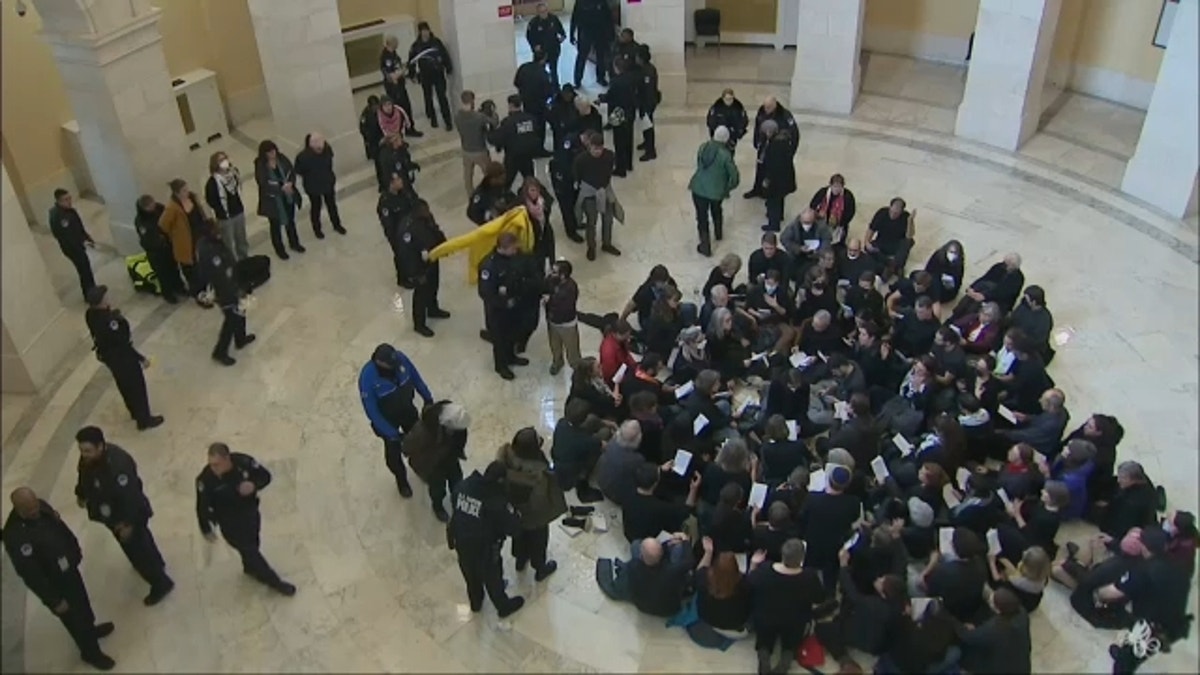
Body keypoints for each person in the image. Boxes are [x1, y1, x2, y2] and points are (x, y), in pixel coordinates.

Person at [3, 487, 116, 670]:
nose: (35, 511)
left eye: (35, 505)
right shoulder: (15, 536)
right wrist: (54, 601)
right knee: (74, 619)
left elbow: (60, 527)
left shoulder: (41, 507)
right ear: (18, 509)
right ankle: (91, 653)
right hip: (55, 584)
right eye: (30, 510)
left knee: (83, 605)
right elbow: (32, 576)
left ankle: (91, 630)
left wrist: (75, 551)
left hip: (68, 570)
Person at [73, 426, 173, 605]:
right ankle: (156, 563)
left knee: (138, 548)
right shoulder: (89, 460)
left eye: (88, 451)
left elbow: (131, 497)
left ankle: (160, 582)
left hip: (128, 517)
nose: (84, 454)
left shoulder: (118, 465)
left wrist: (127, 524)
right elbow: (84, 476)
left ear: (101, 447)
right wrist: (81, 494)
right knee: (140, 545)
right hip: (112, 516)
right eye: (81, 450)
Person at [195, 443, 296, 596]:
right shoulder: (206, 479)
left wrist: (253, 485)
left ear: (227, 459)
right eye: (211, 464)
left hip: (250, 513)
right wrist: (206, 528)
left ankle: (249, 567)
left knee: (253, 544)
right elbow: (201, 506)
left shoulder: (243, 462)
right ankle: (275, 582)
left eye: (217, 464)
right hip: (229, 522)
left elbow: (265, 476)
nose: (213, 468)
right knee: (251, 551)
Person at [447, 461, 526, 617]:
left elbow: (455, 506)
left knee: (470, 574)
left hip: (461, 540)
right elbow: (513, 529)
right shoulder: (496, 502)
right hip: (484, 547)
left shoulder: (464, 486)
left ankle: (476, 602)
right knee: (493, 577)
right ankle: (503, 606)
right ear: (501, 481)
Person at [83, 285, 163, 429]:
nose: (109, 298)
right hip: (122, 357)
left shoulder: (90, 314)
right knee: (136, 386)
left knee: (124, 384)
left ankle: (134, 411)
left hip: (108, 356)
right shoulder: (110, 321)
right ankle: (144, 419)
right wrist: (141, 358)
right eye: (106, 296)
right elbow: (122, 343)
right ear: (102, 301)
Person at [359, 343, 433, 498]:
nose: (395, 366)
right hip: (387, 420)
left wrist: (427, 399)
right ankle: (401, 480)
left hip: (407, 410)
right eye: (390, 365)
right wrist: (392, 434)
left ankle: (422, 469)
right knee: (393, 458)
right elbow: (372, 411)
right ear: (379, 363)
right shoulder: (368, 377)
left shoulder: (400, 359)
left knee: (421, 443)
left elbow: (415, 377)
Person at [748, 540, 826, 674]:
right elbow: (819, 599)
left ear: (782, 554)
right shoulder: (809, 576)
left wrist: (753, 564)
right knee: (791, 640)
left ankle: (764, 659)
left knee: (764, 637)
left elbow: (749, 583)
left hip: (766, 616)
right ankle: (785, 663)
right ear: (802, 558)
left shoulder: (765, 569)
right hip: (794, 620)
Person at [497, 427, 565, 581]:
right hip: (534, 517)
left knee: (519, 538)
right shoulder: (538, 473)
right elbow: (540, 502)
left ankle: (520, 561)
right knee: (538, 542)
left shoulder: (507, 459)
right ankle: (540, 568)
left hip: (515, 513)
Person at [196, 222, 255, 367]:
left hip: (232, 284)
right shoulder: (208, 251)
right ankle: (220, 352)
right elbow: (220, 276)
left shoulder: (214, 242)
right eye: (216, 231)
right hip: (225, 291)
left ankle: (240, 338)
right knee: (231, 320)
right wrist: (235, 290)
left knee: (240, 311)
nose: (219, 233)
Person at [479, 232, 534, 379]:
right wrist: (504, 302)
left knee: (512, 335)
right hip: (497, 312)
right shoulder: (489, 266)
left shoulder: (512, 258)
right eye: (513, 248)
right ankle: (501, 366)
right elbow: (485, 293)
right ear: (504, 247)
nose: (516, 251)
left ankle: (511, 357)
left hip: (513, 307)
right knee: (500, 340)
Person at [402, 400, 468, 521]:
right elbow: (407, 446)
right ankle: (437, 507)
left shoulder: (459, 424)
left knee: (457, 481)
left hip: (450, 458)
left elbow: (461, 440)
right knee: (437, 489)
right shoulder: (422, 430)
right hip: (433, 465)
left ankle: (458, 499)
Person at [953, 587, 1032, 674]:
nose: (989, 601)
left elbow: (970, 637)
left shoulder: (995, 628)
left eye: (992, 602)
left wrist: (954, 622)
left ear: (998, 610)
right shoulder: (1022, 613)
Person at [400, 199, 450, 337]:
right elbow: (406, 254)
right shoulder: (407, 228)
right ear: (416, 211)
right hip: (419, 267)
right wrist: (415, 274)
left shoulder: (427, 219)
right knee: (421, 295)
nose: (428, 212)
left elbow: (436, 231)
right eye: (425, 210)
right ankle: (419, 324)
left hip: (432, 259)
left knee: (433, 286)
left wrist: (444, 246)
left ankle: (433, 309)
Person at [689, 125, 741, 256]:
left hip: (698, 188)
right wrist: (727, 188)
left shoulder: (703, 147)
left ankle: (705, 246)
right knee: (716, 210)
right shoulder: (725, 155)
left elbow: (699, 164)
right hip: (716, 192)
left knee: (701, 217)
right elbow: (734, 176)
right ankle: (718, 233)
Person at [158, 179, 210, 306]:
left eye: (187, 189)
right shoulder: (173, 208)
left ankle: (206, 288)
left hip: (199, 236)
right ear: (177, 193)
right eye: (184, 191)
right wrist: (175, 235)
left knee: (202, 265)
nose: (187, 192)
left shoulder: (192, 198)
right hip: (186, 243)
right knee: (191, 271)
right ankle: (198, 293)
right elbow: (163, 225)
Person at [573, 131, 622, 259]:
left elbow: (610, 170)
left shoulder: (610, 155)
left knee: (608, 219)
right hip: (589, 193)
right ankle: (591, 247)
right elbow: (577, 176)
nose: (597, 152)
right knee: (591, 222)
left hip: (604, 190)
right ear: (590, 146)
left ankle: (607, 243)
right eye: (595, 149)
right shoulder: (581, 159)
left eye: (600, 149)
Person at [254, 140, 305, 260]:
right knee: (275, 226)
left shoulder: (282, 159)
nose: (273, 154)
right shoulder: (261, 165)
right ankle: (279, 249)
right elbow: (263, 183)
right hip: (272, 201)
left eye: (274, 151)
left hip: (287, 196)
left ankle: (294, 243)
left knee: (290, 222)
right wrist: (280, 188)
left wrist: (290, 184)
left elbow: (291, 172)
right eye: (270, 152)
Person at [552, 399, 607, 502]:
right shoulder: (585, 441)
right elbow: (604, 446)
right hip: (572, 471)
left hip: (560, 461)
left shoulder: (561, 423)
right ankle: (583, 475)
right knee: (604, 433)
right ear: (583, 420)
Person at [133, 195, 185, 302]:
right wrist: (159, 240)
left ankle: (179, 287)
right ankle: (168, 294)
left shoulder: (159, 208)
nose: (153, 206)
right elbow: (147, 237)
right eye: (150, 206)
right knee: (163, 274)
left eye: (153, 203)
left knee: (174, 269)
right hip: (156, 252)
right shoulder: (141, 221)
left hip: (168, 246)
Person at [48, 188, 97, 299]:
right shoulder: (58, 217)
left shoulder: (69, 211)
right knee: (84, 269)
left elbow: (78, 226)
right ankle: (89, 293)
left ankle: (92, 289)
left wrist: (86, 237)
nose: (69, 201)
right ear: (59, 201)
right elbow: (64, 236)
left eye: (69, 198)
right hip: (72, 248)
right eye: (66, 199)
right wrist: (80, 245)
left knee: (86, 267)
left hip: (78, 245)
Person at [696, 538, 753, 635]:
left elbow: (700, 569)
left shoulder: (704, 577)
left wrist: (708, 552)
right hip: (735, 623)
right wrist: (753, 564)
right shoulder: (744, 583)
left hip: (707, 618)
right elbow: (753, 580)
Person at [628, 534, 694, 618]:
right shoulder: (672, 571)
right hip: (668, 610)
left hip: (641, 605)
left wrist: (666, 544)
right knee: (678, 549)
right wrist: (685, 541)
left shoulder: (633, 566)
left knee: (636, 544)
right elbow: (689, 561)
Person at [745, 97, 799, 199]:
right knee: (760, 167)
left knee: (771, 170)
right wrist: (756, 141)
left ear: (775, 105)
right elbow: (758, 126)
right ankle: (757, 189)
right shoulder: (762, 111)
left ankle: (768, 192)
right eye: (765, 107)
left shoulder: (785, 115)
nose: (766, 109)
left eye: (769, 107)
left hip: (777, 148)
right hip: (764, 145)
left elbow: (794, 133)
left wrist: (791, 151)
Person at [293, 132, 344, 238]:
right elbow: (298, 170)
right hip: (313, 186)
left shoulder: (327, 150)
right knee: (316, 207)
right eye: (317, 148)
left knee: (332, 205)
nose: (320, 149)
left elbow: (329, 163)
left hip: (327, 183)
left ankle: (337, 224)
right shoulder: (303, 157)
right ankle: (317, 229)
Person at [203, 151, 250, 260]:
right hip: (225, 217)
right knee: (228, 243)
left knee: (241, 239)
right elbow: (211, 201)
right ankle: (232, 262)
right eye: (221, 160)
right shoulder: (212, 182)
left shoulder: (233, 174)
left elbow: (238, 188)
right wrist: (221, 209)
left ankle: (244, 259)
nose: (224, 161)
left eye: (225, 158)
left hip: (238, 212)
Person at [998, 388, 1069, 458]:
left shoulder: (1049, 425)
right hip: (1037, 433)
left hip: (1038, 447)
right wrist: (1026, 417)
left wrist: (1004, 432)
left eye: (1043, 400)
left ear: (1051, 406)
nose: (1039, 400)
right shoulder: (1062, 411)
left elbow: (1026, 436)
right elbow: (1040, 419)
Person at [378, 170, 420, 288]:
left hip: (409, 229)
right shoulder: (386, 202)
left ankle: (414, 272)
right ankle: (403, 278)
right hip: (397, 234)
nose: (401, 181)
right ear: (391, 184)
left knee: (412, 253)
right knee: (401, 255)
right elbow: (388, 224)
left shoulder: (404, 192)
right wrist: (396, 238)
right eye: (398, 180)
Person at [489, 94, 541, 189]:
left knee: (506, 183)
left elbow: (496, 139)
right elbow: (537, 135)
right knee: (530, 181)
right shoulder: (531, 118)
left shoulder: (508, 122)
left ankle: (504, 199)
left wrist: (489, 131)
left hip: (513, 157)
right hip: (528, 156)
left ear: (510, 105)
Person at [408, 21, 454, 130]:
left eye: (426, 30)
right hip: (425, 75)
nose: (425, 33)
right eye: (423, 31)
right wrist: (412, 74)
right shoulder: (416, 46)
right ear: (420, 32)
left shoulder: (436, 42)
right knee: (428, 98)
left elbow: (444, 54)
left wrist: (448, 67)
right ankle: (433, 118)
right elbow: (412, 61)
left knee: (442, 97)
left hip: (438, 73)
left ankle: (447, 121)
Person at [454, 90, 500, 197]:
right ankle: (490, 192)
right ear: (472, 101)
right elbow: (494, 123)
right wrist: (494, 113)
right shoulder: (479, 117)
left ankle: (470, 194)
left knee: (468, 175)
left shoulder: (457, 116)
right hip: (480, 151)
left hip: (466, 150)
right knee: (488, 173)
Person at [954, 253, 1025, 318]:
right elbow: (985, 277)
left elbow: (1003, 293)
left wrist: (984, 296)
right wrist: (972, 287)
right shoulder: (999, 267)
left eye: (1008, 265)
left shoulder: (1018, 279)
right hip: (986, 291)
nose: (1005, 266)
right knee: (967, 299)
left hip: (1000, 301)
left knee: (975, 307)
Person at [379, 35, 422, 136]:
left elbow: (397, 66)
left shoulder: (393, 54)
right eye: (396, 42)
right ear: (391, 43)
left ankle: (409, 128)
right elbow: (392, 75)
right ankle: (400, 132)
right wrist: (403, 70)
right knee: (400, 108)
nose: (398, 44)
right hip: (394, 88)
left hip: (400, 85)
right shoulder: (386, 57)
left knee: (406, 107)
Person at [545, 259, 582, 375]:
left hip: (567, 325)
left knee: (572, 350)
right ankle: (557, 362)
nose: (551, 274)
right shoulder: (551, 281)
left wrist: (550, 300)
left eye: (555, 272)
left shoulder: (571, 287)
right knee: (555, 345)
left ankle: (578, 370)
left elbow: (565, 306)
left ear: (563, 275)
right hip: (552, 321)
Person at [603, 56, 639, 176]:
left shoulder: (615, 82)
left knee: (619, 141)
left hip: (618, 113)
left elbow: (610, 96)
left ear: (616, 67)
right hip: (630, 112)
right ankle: (629, 163)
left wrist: (601, 99)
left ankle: (620, 168)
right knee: (629, 138)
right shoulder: (632, 78)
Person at [758, 120, 796, 232]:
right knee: (779, 198)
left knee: (773, 201)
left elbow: (773, 165)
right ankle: (779, 216)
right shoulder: (783, 141)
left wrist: (767, 179)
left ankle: (773, 224)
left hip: (776, 179)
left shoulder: (775, 145)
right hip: (784, 177)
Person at [514, 47, 555, 147]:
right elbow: (549, 92)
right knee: (540, 126)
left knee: (529, 125)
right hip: (539, 105)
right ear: (544, 59)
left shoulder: (523, 67)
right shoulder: (543, 74)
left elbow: (516, 82)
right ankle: (539, 147)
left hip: (526, 103)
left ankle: (529, 145)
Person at [570, 0, 615, 87]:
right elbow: (574, 18)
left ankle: (600, 78)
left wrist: (611, 33)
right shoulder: (580, 2)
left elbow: (608, 17)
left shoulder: (602, 2)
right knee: (582, 56)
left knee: (600, 56)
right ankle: (577, 80)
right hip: (585, 32)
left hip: (600, 32)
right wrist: (572, 33)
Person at [1008, 285, 1055, 362]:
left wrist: (1018, 342)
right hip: (1013, 336)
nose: (1024, 300)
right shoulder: (1024, 305)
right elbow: (1014, 318)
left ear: (1033, 302)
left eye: (1027, 299)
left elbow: (1037, 341)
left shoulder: (1044, 320)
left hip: (1028, 347)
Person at [809, 174, 857, 248]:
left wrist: (840, 221)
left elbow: (851, 212)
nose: (836, 189)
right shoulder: (823, 192)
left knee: (836, 245)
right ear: (830, 185)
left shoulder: (848, 196)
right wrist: (818, 212)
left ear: (842, 186)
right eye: (834, 186)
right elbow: (812, 205)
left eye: (839, 187)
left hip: (839, 225)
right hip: (821, 221)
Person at [526, 2, 567, 86]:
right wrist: (534, 46)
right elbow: (529, 36)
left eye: (545, 11)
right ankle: (541, 87)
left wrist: (562, 37)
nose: (544, 13)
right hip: (541, 52)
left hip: (553, 49)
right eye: (541, 12)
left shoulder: (553, 19)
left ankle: (555, 87)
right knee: (540, 71)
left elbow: (561, 31)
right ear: (538, 12)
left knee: (554, 70)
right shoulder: (534, 23)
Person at [468, 161, 519, 226]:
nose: (504, 179)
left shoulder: (501, 186)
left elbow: (512, 198)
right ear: (492, 179)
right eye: (501, 178)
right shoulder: (481, 194)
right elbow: (471, 213)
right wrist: (488, 219)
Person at [634, 45, 660, 161]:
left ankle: (651, 151)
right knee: (645, 125)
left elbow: (648, 91)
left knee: (648, 126)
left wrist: (646, 106)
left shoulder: (647, 72)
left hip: (647, 103)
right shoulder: (644, 69)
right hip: (643, 102)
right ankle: (646, 143)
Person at [924, 240, 964, 309]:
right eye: (951, 252)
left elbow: (958, 281)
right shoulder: (938, 256)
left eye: (955, 253)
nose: (952, 255)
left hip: (947, 289)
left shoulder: (959, 264)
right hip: (934, 280)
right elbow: (928, 269)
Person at [358, 94, 384, 162]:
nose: (376, 107)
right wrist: (367, 135)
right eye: (374, 106)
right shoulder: (365, 114)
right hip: (371, 137)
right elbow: (362, 127)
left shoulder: (381, 110)